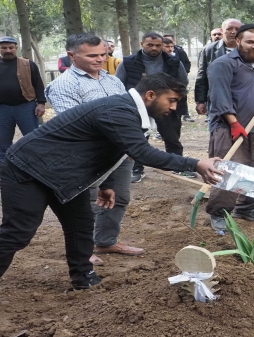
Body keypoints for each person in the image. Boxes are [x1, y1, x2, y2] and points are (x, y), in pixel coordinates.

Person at [0, 73, 223, 290]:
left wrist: (106, 185)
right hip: (28, 170)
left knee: (80, 226)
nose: (174, 108)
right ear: (151, 95)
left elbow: (109, 149)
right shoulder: (118, 111)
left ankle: (84, 278)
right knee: (18, 232)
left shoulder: (127, 111)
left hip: (64, 175)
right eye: (171, 100)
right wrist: (195, 164)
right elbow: (142, 153)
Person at [45, 33, 142, 266]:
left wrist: (130, 141)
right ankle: (83, 248)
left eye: (103, 54)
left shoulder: (112, 80)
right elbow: (76, 126)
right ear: (71, 55)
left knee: (119, 197)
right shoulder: (63, 85)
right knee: (86, 202)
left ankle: (106, 240)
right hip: (89, 156)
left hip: (120, 153)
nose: (100, 59)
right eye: (92, 56)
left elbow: (127, 112)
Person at [205, 24, 254, 231]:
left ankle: (247, 208)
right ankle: (219, 213)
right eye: (250, 42)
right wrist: (233, 122)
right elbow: (219, 96)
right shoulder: (222, 64)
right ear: (238, 42)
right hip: (230, 129)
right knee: (228, 173)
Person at [116, 32, 190, 183]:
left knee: (172, 137)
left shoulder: (174, 62)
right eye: (150, 45)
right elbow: (118, 84)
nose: (154, 48)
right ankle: (137, 169)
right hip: (138, 106)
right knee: (138, 138)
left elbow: (183, 81)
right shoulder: (128, 62)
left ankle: (178, 165)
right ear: (142, 44)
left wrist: (171, 97)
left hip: (166, 106)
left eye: (158, 45)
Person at [0, 36, 45, 164]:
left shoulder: (28, 64)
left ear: (16, 48)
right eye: (4, 48)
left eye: (10, 48)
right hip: (2, 109)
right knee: (2, 142)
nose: (7, 50)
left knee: (32, 138)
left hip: (26, 107)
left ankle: (36, 165)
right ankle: (5, 170)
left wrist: (41, 103)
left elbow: (38, 84)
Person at [196, 19, 243, 117]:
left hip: (244, 99)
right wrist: (201, 100)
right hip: (217, 100)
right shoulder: (208, 50)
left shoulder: (250, 48)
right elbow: (202, 76)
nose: (233, 32)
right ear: (222, 31)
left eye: (237, 29)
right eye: (229, 29)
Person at [163, 34, 194, 123]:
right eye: (167, 46)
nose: (169, 48)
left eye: (171, 46)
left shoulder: (179, 52)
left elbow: (186, 63)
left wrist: (184, 72)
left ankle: (184, 115)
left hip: (177, 85)